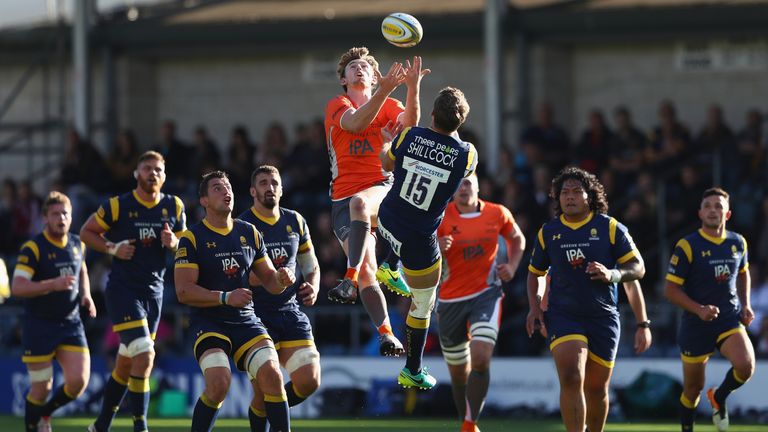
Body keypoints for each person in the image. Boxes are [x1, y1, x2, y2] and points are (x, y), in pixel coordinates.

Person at [526, 167, 651, 432]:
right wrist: (535, 306)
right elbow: (534, 274)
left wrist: (613, 275)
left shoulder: (610, 227)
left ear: (589, 196)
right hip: (563, 315)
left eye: (576, 192)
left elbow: (638, 268)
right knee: (571, 376)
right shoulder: (548, 232)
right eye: (564, 192)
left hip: (603, 316)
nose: (569, 197)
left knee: (596, 389)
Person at [324, 46, 429, 356]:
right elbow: (355, 123)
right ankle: (387, 335)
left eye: (365, 67)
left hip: (381, 189)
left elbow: (410, 126)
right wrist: (382, 91)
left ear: (374, 76)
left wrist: (412, 88)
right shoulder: (337, 105)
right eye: (352, 67)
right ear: (343, 80)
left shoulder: (387, 103)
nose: (359, 70)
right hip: (340, 201)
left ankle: (349, 278)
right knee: (369, 269)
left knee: (360, 204)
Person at [174, 171, 295, 432]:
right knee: (219, 383)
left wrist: (283, 279)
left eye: (228, 187)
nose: (226, 192)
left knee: (273, 376)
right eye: (217, 188)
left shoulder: (249, 233)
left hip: (245, 321)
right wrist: (226, 297)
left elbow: (271, 283)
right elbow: (183, 292)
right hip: (208, 321)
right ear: (204, 201)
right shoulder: (192, 237)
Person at [377, 86, 478, 389]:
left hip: (387, 218)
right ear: (460, 122)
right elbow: (454, 156)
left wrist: (387, 143)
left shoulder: (409, 136)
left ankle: (389, 265)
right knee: (424, 301)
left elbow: (386, 164)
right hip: (417, 241)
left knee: (401, 216)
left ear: (432, 114)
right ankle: (412, 368)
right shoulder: (467, 154)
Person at [81, 151, 186, 432]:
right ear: (136, 173)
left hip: (154, 291)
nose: (153, 173)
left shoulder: (174, 206)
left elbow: (185, 244)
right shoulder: (119, 205)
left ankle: (101, 425)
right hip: (122, 289)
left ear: (164, 176)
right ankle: (141, 425)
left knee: (127, 362)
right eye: (147, 168)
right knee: (145, 353)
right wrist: (113, 248)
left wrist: (174, 242)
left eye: (158, 170)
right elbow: (87, 232)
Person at [436, 173, 526, 432]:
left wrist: (512, 264)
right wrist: (436, 246)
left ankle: (469, 423)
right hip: (449, 300)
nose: (463, 188)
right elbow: (417, 255)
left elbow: (517, 238)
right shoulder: (440, 217)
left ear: (478, 186)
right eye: (458, 184)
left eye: (467, 183)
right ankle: (464, 421)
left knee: (481, 356)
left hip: (485, 294)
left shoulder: (497, 213)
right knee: (457, 373)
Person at [665, 187, 756, 432]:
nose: (713, 210)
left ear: (727, 214)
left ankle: (720, 396)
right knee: (692, 389)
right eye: (708, 206)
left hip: (728, 319)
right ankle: (687, 428)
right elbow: (671, 290)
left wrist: (745, 304)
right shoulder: (687, 245)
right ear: (700, 213)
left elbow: (744, 273)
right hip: (696, 325)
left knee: (746, 366)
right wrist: (699, 309)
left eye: (718, 206)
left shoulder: (738, 242)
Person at [238, 165, 321, 431]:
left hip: (290, 312)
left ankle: (277, 409)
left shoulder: (295, 220)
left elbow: (311, 265)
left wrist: (314, 286)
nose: (269, 187)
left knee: (310, 381)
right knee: (263, 394)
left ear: (282, 189)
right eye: (263, 183)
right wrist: (270, 277)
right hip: (254, 317)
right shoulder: (242, 225)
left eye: (274, 182)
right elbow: (238, 276)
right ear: (253, 191)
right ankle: (274, 415)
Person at [11, 191, 97, 432]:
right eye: (55, 214)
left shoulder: (78, 243)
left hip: (70, 324)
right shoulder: (33, 248)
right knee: (41, 389)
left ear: (71, 217)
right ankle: (34, 424)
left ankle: (45, 415)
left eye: (65, 213)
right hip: (39, 325)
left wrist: (86, 295)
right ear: (45, 218)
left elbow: (83, 271)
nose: (61, 218)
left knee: (78, 381)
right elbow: (18, 287)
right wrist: (53, 284)